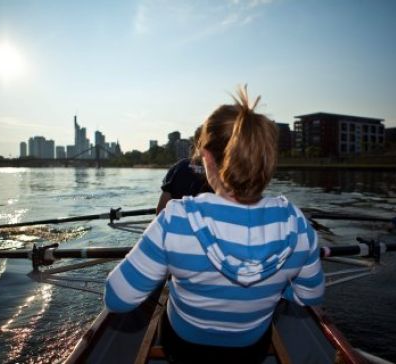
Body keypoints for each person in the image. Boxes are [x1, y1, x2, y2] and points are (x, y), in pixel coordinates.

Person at [104, 86, 325, 363]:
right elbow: (310, 296)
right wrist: (273, 288)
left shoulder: (176, 218)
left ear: (206, 157)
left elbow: (117, 299)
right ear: (268, 161)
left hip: (185, 347)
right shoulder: (298, 225)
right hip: (250, 349)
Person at [156, 126, 212, 214]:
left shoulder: (179, 167)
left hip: (177, 223)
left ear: (196, 143)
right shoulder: (222, 171)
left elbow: (161, 210)